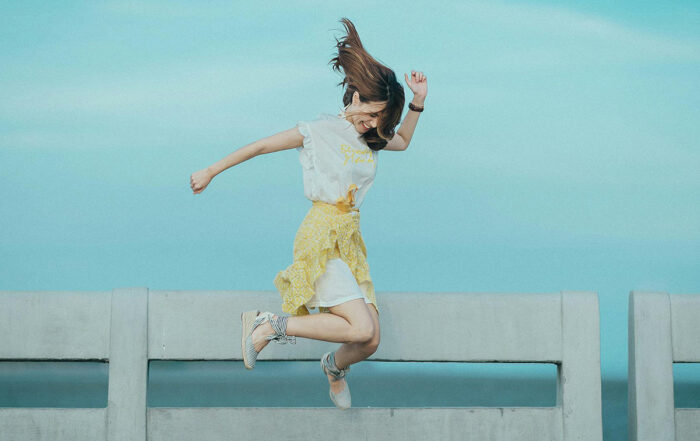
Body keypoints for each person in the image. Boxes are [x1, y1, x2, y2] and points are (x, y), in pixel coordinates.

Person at [189, 17, 428, 410]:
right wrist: (212, 170)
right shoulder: (319, 131)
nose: (373, 125)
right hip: (321, 234)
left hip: (350, 240)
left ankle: (333, 368)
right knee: (361, 326)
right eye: (371, 115)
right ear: (356, 97)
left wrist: (418, 100)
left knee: (370, 339)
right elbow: (262, 146)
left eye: (380, 120)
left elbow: (401, 141)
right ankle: (270, 324)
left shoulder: (370, 138)